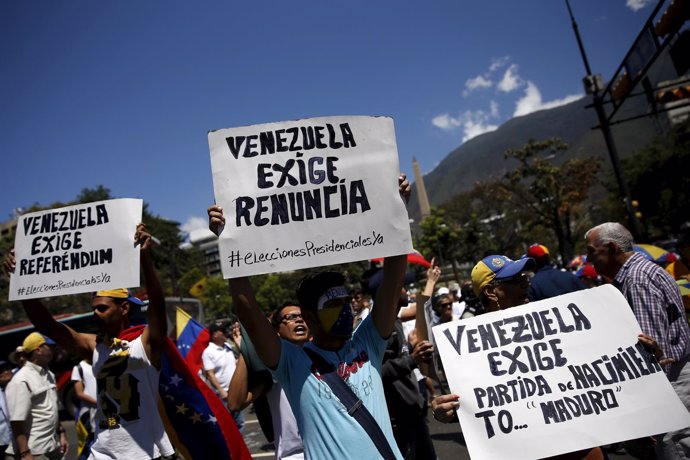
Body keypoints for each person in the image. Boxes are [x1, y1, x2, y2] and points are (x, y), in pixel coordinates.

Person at [208, 173, 411, 459]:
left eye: (346, 301)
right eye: (332, 304)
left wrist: (398, 211)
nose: (345, 309)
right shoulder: (292, 362)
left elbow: (393, 278)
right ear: (309, 316)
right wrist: (228, 239)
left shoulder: (368, 341)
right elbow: (247, 309)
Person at [4, 224, 175, 460]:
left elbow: (157, 304)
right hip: (101, 454)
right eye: (93, 309)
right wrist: (21, 281)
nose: (96, 314)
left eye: (102, 308)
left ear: (124, 308)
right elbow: (48, 326)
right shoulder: (94, 346)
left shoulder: (144, 345)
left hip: (146, 453)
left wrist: (144, 257)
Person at [432, 254, 606, 460]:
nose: (526, 284)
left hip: (580, 449)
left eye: (525, 277)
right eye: (516, 280)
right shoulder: (467, 348)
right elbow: (474, 405)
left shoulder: (553, 325)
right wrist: (446, 410)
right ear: (491, 292)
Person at [585, 222, 690, 459]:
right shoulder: (644, 271)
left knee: (676, 450)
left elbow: (653, 352)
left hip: (669, 389)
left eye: (591, 250)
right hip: (677, 383)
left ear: (610, 247)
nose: (587, 258)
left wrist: (649, 412)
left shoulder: (636, 280)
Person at [228, 305, 308, 460]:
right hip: (294, 455)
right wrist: (247, 350)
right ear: (276, 331)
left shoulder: (324, 358)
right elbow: (235, 403)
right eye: (291, 317)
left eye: (302, 316)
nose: (299, 319)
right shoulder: (272, 370)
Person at [5, 332, 68, 460]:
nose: (52, 349)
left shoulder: (48, 374)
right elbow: (16, 422)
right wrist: (25, 453)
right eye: (49, 346)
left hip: (53, 445)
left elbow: (52, 408)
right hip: (35, 451)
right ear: (38, 350)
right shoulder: (21, 380)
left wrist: (61, 433)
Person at [202, 323, 244, 433]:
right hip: (223, 394)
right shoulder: (208, 352)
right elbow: (210, 374)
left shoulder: (228, 347)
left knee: (239, 423)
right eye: (222, 331)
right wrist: (221, 391)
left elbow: (235, 363)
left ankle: (239, 448)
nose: (226, 333)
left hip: (235, 390)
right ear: (214, 334)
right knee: (226, 424)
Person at [71, 359, 96, 459]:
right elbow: (79, 393)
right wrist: (98, 403)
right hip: (88, 414)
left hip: (102, 413)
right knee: (87, 444)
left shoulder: (101, 363)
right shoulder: (79, 368)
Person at [666, 230, 690, 314]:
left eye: (686, 246)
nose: (684, 250)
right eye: (683, 247)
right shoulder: (671, 268)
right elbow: (669, 293)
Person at [0, 360, 14, 456]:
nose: (6, 372)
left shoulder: (18, 387)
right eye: (2, 371)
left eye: (8, 369)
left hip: (19, 439)